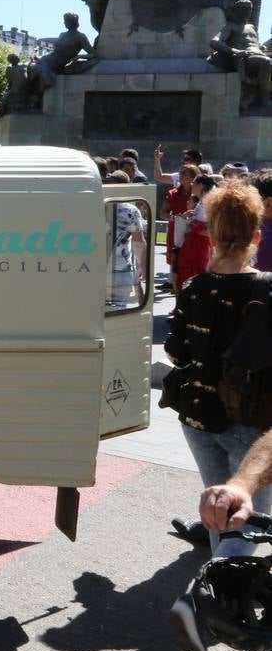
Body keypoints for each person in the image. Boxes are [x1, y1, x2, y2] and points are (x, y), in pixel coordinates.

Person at [161, 182, 272, 556]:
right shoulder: (268, 289)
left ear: (211, 232)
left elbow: (176, 351)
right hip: (251, 419)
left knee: (216, 505)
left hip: (197, 414)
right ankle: (227, 599)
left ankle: (218, 579)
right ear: (256, 233)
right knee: (246, 514)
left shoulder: (194, 287)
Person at [106, 171, 148, 307]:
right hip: (122, 268)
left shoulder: (95, 207)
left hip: (97, 266)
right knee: (118, 308)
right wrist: (143, 267)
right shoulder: (131, 211)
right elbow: (139, 242)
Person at [173, 173, 217, 292]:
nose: (192, 184)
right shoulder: (199, 204)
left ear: (201, 185)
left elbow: (211, 231)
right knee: (184, 275)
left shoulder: (209, 205)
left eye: (195, 182)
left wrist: (194, 226)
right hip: (191, 245)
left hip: (200, 247)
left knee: (196, 274)